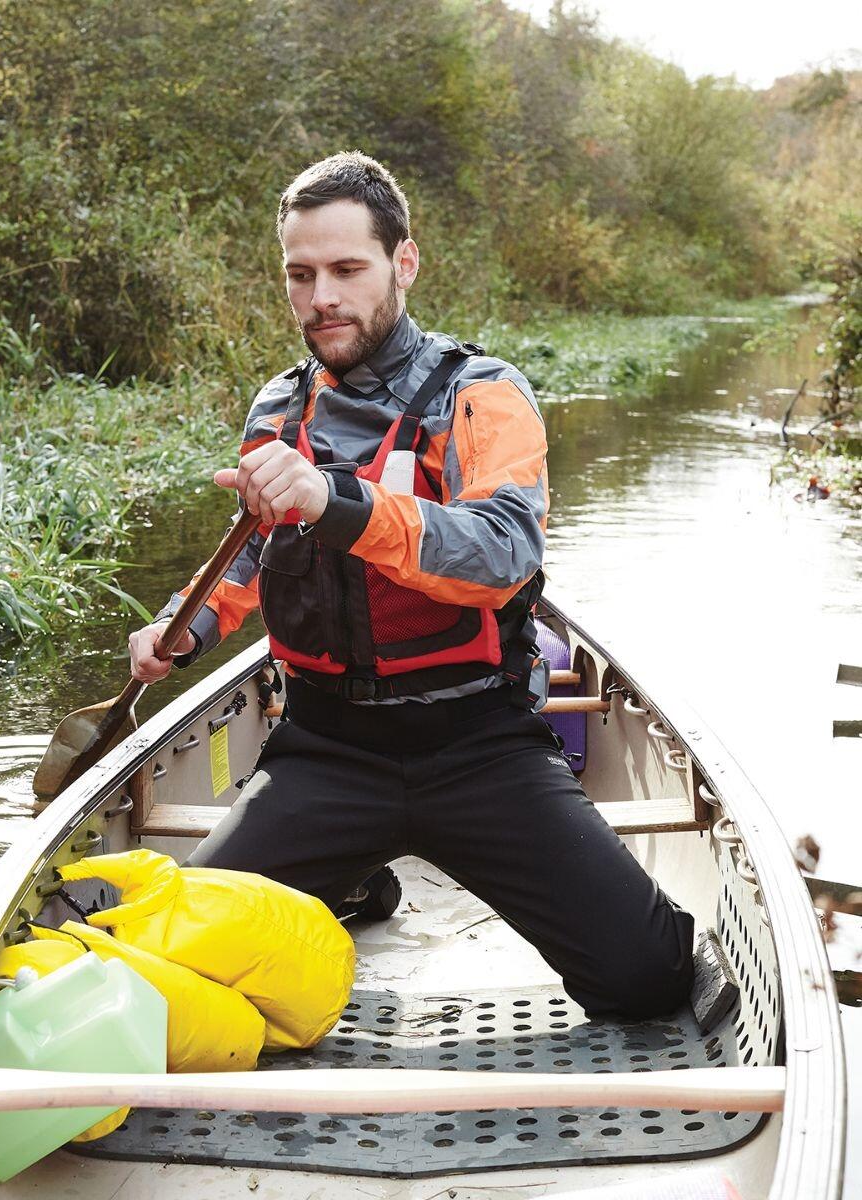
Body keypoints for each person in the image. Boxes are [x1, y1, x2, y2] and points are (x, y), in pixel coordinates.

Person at [128, 152, 694, 1019]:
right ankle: (351, 884)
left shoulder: (482, 394)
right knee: (169, 974)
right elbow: (249, 553)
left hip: (480, 746)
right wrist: (184, 629)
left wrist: (337, 500)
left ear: (405, 262)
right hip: (325, 752)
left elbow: (504, 554)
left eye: (347, 269)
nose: (322, 297)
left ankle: (343, 879)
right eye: (301, 274)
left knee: (645, 981)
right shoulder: (277, 409)